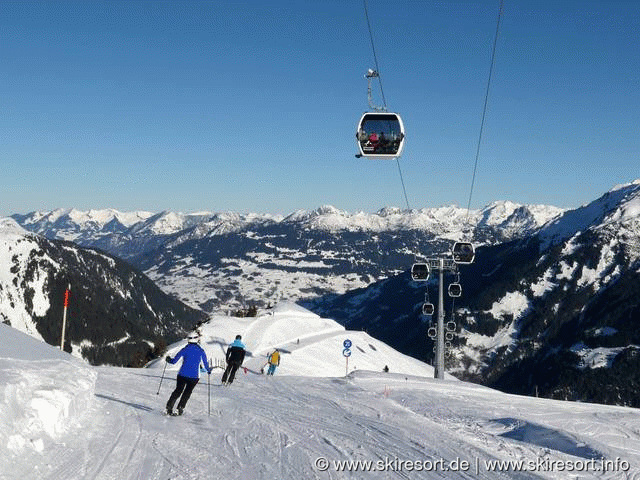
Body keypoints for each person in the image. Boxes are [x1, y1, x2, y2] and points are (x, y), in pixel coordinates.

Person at [165, 332, 211, 416]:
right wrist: (208, 370)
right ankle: (180, 408)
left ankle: (169, 407)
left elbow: (174, 361)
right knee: (187, 392)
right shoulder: (201, 351)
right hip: (194, 377)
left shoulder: (184, 349)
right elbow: (205, 364)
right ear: (197, 339)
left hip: (182, 374)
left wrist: (168, 359)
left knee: (178, 390)